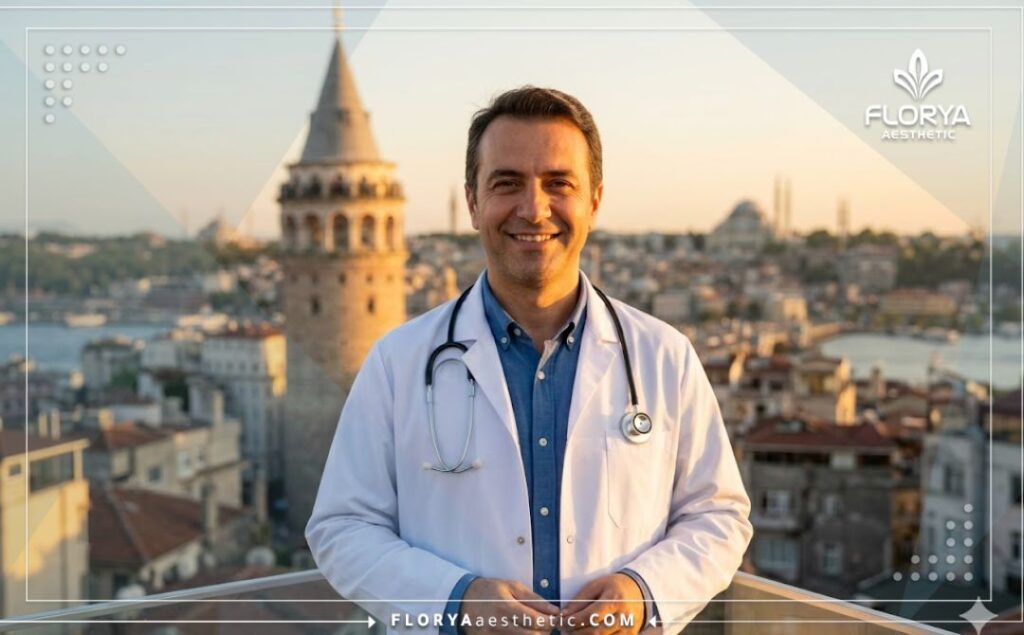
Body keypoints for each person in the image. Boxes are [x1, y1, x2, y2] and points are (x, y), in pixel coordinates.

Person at [306, 86, 752, 635]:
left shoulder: (663, 356)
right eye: (506, 183)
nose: (533, 208)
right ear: (472, 201)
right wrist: (454, 602)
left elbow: (720, 517)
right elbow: (342, 528)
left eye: (558, 184)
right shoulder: (398, 362)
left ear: (594, 200)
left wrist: (645, 592)